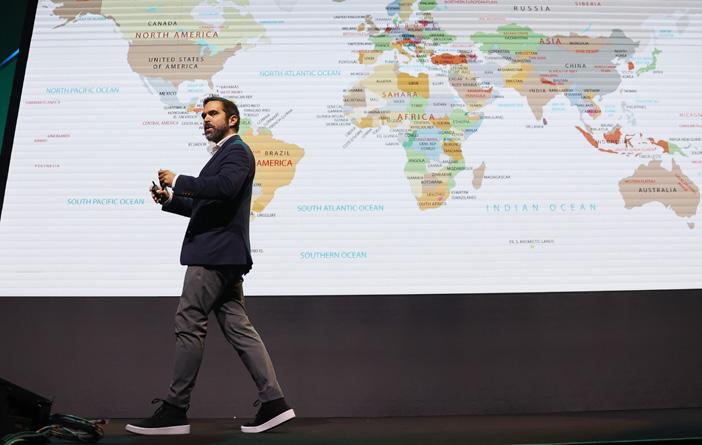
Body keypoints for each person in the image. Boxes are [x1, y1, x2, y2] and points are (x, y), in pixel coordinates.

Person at [125, 96, 294, 435]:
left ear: (232, 120)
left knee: (189, 322)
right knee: (238, 328)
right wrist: (171, 200)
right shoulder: (223, 155)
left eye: (213, 113)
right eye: (203, 114)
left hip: (214, 255)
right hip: (224, 256)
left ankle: (175, 410)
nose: (206, 119)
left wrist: (179, 180)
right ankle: (274, 403)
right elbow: (208, 206)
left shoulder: (237, 152)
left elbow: (224, 189)